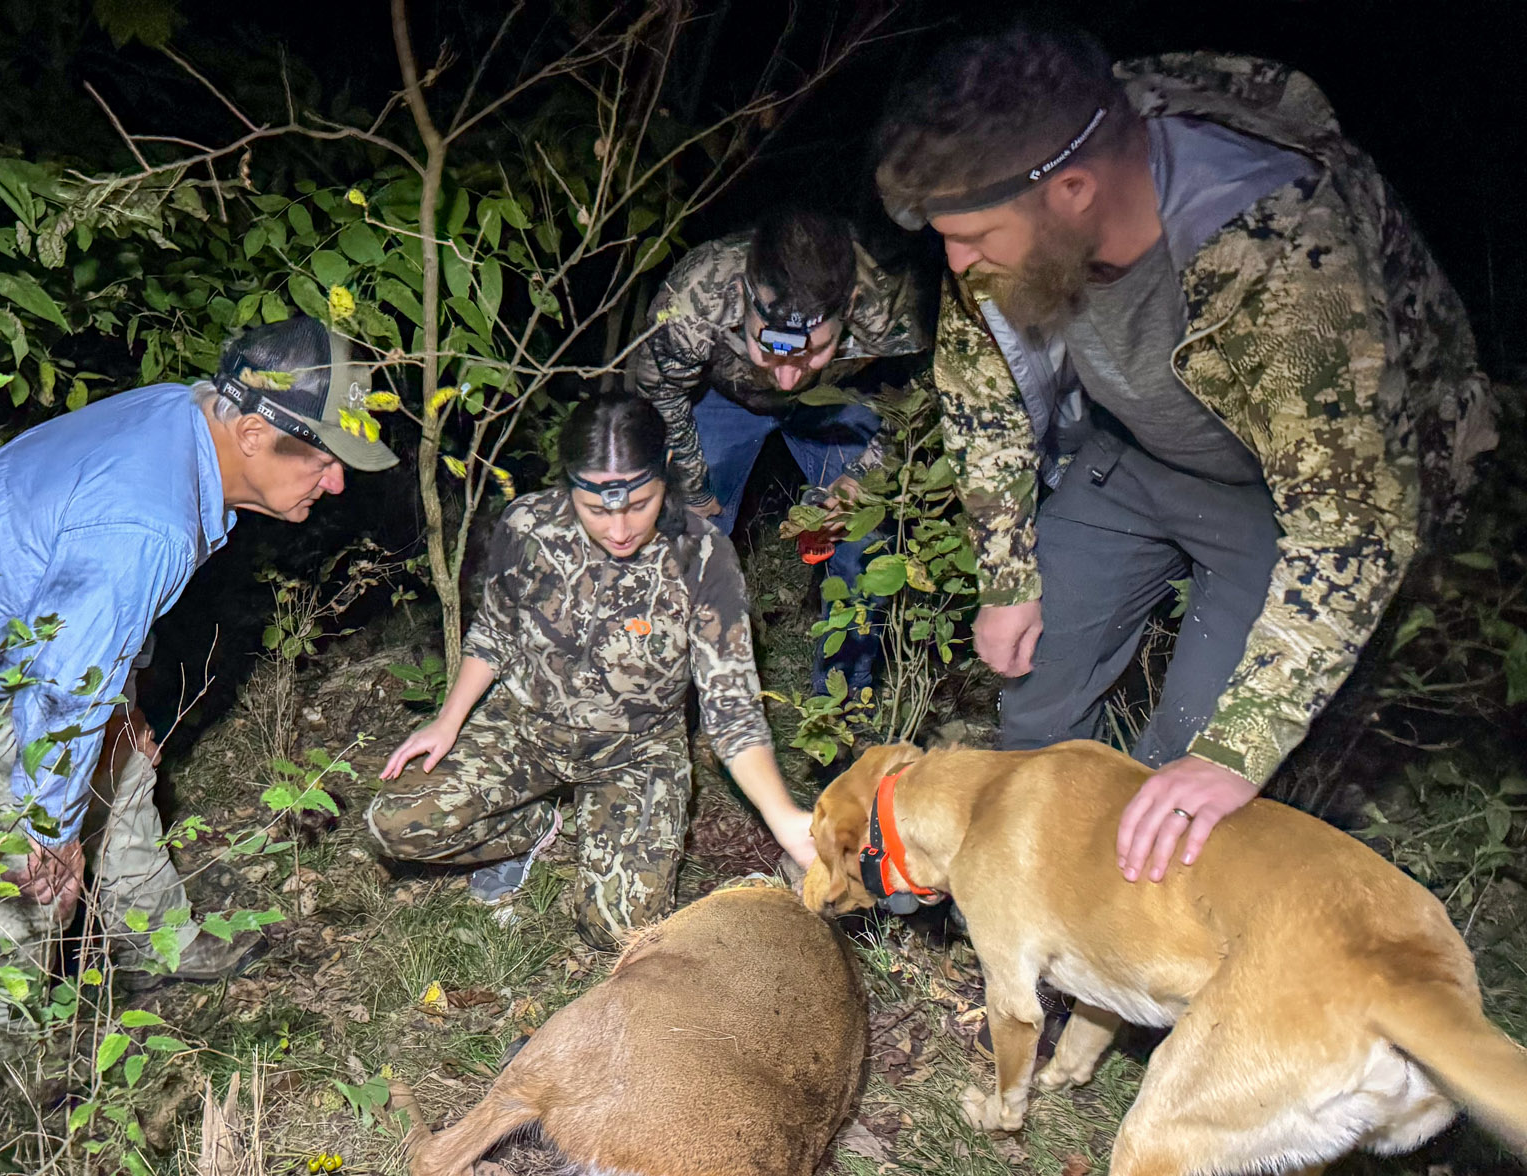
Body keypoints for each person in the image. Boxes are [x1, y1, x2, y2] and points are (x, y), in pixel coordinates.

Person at [873, 31, 1492, 883]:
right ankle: (1028, 898)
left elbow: (1354, 521)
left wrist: (1236, 750)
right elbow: (984, 396)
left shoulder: (1285, 259)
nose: (956, 261)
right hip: (1131, 454)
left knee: (1183, 778)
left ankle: (1121, 956)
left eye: (974, 235)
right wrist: (1009, 579)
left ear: (1074, 191)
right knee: (1035, 692)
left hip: (1276, 504)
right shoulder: (1015, 203)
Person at [0, 317, 396, 1022]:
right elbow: (66, 682)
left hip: (8, 646)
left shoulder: (183, 414)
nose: (337, 482)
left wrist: (121, 708)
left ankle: (163, 948)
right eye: (323, 456)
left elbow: (89, 613)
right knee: (24, 878)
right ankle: (14, 1071)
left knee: (121, 771)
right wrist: (51, 832)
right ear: (253, 434)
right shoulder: (147, 520)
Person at [367, 393, 818, 950]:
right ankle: (532, 829)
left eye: (640, 503)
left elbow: (732, 709)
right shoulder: (528, 525)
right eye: (598, 511)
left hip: (636, 749)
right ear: (570, 489)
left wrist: (782, 817)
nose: (621, 528)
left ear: (667, 476)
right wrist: (447, 720)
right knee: (395, 823)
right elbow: (497, 629)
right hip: (525, 726)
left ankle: (603, 835)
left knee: (621, 932)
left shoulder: (703, 556)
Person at [628, 206, 929, 695]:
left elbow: (931, 387)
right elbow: (660, 393)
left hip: (836, 401)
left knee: (863, 536)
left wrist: (868, 474)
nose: (788, 373)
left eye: (813, 349)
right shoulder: (693, 299)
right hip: (727, 398)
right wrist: (693, 482)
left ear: (849, 307)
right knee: (683, 532)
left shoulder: (889, 305)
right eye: (769, 347)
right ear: (745, 299)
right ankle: (668, 694)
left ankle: (842, 706)